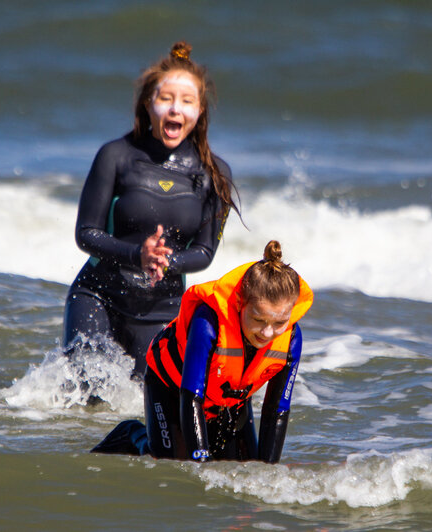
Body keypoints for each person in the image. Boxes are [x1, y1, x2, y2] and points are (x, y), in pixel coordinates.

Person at [63, 41, 237, 374]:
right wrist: (136, 255)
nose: (176, 109)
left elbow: (203, 252)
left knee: (147, 405)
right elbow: (86, 233)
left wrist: (166, 260)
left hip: (162, 310)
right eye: (165, 98)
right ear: (148, 104)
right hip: (98, 296)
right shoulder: (115, 155)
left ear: (200, 112)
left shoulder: (215, 174)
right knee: (85, 395)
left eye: (187, 101)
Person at [92, 241, 313, 463]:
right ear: (239, 303)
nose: (267, 332)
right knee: (174, 466)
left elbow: (277, 409)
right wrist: (200, 460)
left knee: (247, 469)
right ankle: (131, 434)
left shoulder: (291, 338)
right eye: (258, 319)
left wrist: (269, 471)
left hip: (228, 400)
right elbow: (191, 397)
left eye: (279, 323)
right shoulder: (208, 321)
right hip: (173, 390)